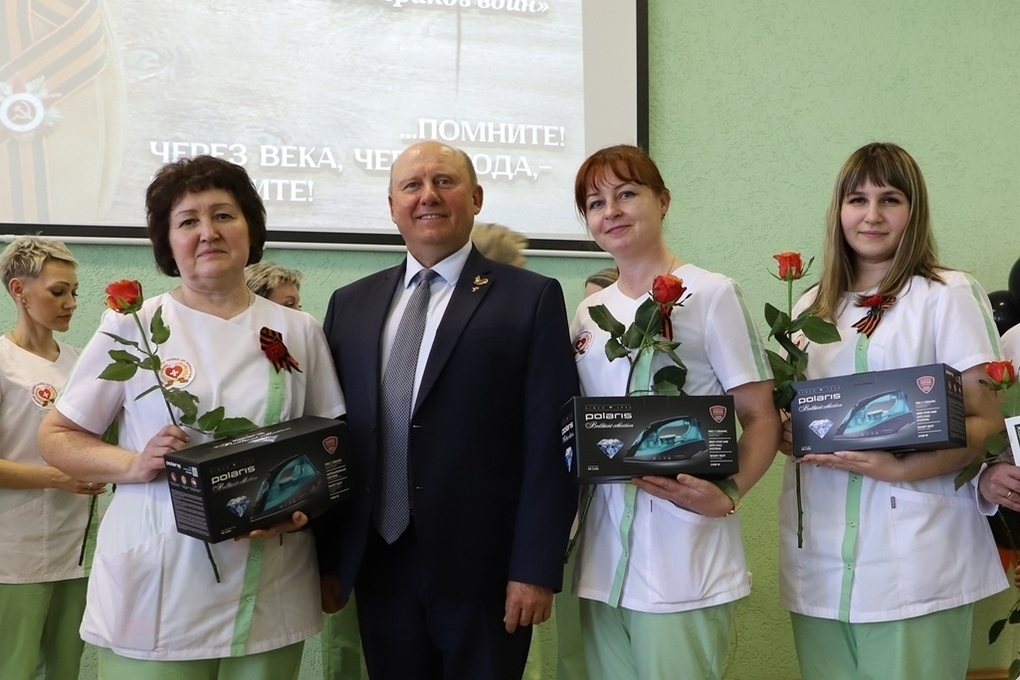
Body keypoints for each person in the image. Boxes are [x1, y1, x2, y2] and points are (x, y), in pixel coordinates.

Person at [37, 155, 345, 679]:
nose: (208, 232)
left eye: (224, 215)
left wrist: (302, 510)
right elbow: (57, 436)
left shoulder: (299, 330)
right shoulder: (134, 327)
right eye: (188, 221)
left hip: (269, 581)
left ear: (250, 227)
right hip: (159, 581)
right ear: (168, 241)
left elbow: (331, 447)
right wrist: (134, 463)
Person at [316, 140, 579, 680]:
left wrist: (534, 568)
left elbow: (550, 443)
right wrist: (328, 558)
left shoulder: (529, 298)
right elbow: (335, 437)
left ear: (475, 197)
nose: (428, 196)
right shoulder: (350, 304)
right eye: (411, 185)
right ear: (392, 205)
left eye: (444, 181)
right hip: (380, 565)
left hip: (485, 574)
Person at [778, 142, 1007, 679]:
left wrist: (900, 468)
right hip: (820, 561)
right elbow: (797, 418)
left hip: (917, 559)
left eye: (890, 199)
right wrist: (788, 432)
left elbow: (987, 422)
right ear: (839, 210)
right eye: (857, 200)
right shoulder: (809, 307)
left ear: (914, 210)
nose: (872, 215)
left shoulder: (947, 294)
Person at [569, 144, 780, 680]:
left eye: (626, 194)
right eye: (595, 203)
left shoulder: (712, 294)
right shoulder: (589, 314)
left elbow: (761, 417)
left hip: (682, 559)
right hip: (602, 566)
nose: (611, 211)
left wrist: (729, 494)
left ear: (663, 201)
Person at [245, 261, 367, 680]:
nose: (298, 315)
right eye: (288, 306)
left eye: (298, 305)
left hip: (296, 531)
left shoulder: (303, 356)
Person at [0, 236, 106, 680]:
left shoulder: (82, 364)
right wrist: (55, 478)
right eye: (58, 292)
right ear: (19, 291)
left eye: (74, 292)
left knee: (65, 670)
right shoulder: (3, 361)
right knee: (14, 668)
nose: (71, 303)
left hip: (76, 548)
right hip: (13, 551)